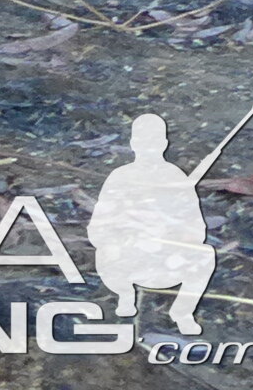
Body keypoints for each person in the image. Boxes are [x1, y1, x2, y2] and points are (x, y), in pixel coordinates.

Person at [88, 113, 215, 336]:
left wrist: (170, 230)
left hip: (166, 257)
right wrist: (127, 233)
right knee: (107, 250)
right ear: (133, 144)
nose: (148, 148)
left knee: (205, 254)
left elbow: (196, 228)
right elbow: (98, 226)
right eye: (142, 142)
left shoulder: (176, 177)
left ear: (164, 144)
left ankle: (182, 312)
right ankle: (126, 295)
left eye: (154, 142)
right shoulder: (120, 177)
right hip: (128, 255)